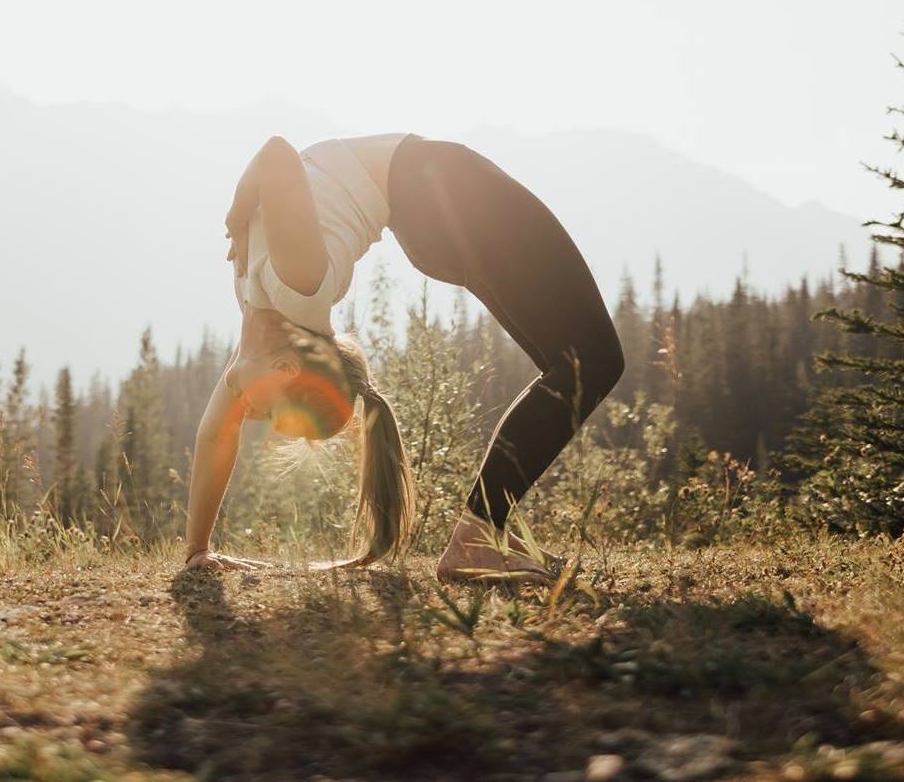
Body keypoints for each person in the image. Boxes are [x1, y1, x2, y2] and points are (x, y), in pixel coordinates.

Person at [183, 133, 625, 583]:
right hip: (445, 191)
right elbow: (275, 154)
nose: (252, 414)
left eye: (268, 413)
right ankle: (480, 535)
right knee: (592, 360)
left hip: (431, 208)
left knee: (575, 362)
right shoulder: (298, 288)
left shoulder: (270, 317)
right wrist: (236, 218)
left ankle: (486, 531)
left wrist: (198, 550)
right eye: (273, 412)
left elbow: (215, 435)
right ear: (286, 370)